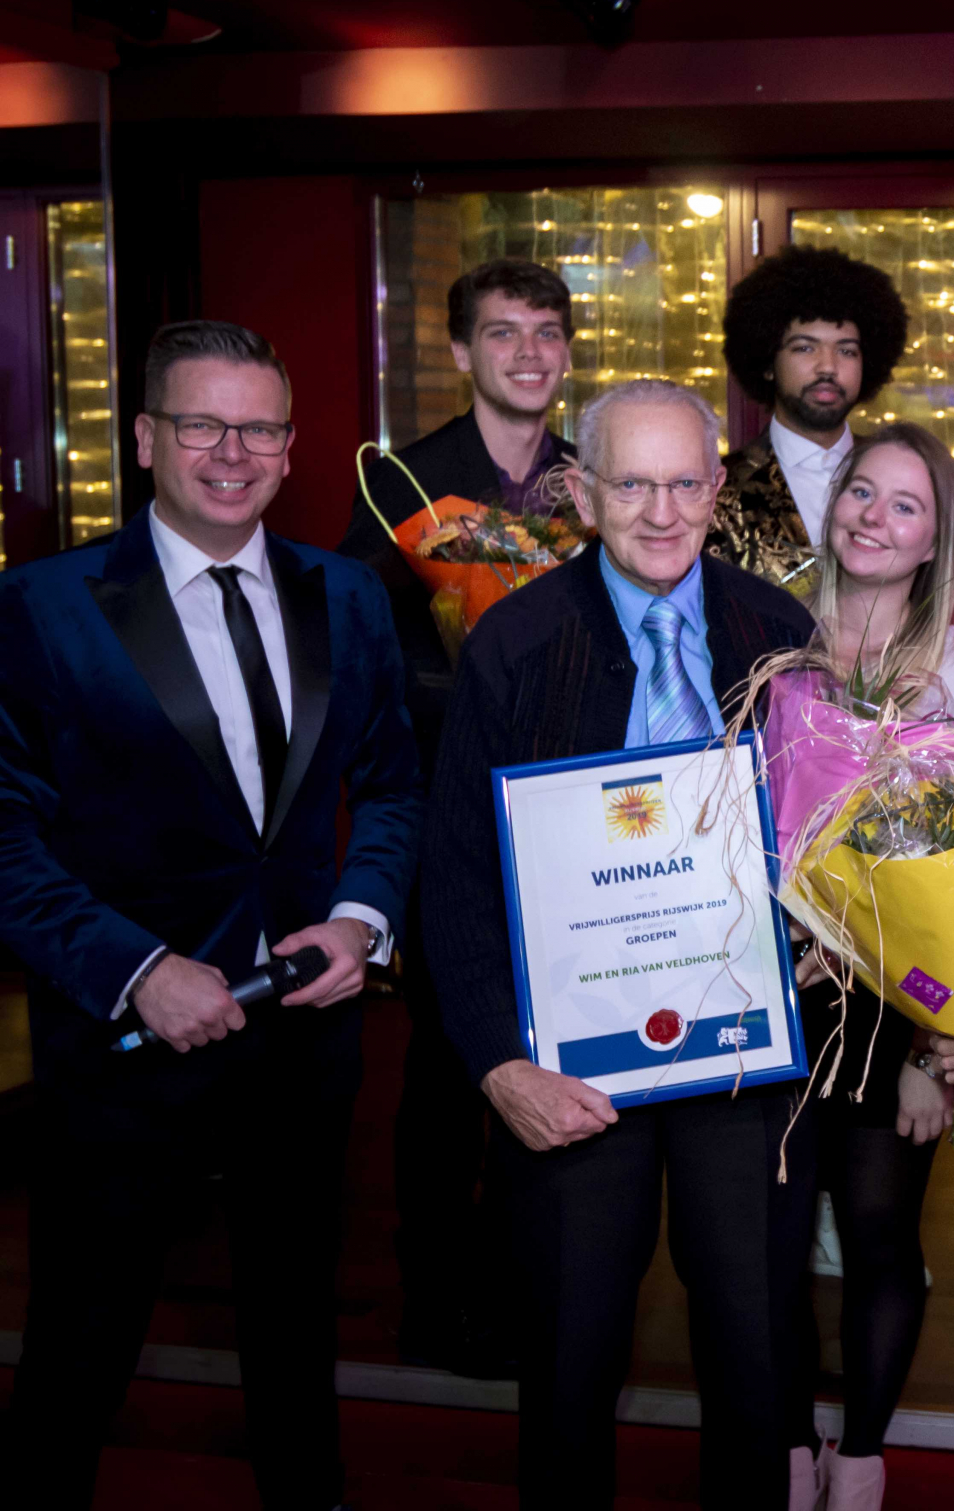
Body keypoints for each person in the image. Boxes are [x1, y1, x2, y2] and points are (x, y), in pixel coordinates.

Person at [0, 321, 421, 1509]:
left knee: (296, 1319)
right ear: (146, 438)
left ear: (292, 449)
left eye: (259, 428)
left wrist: (361, 917)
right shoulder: (41, 606)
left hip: (304, 1033)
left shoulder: (347, 592)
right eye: (201, 424)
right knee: (83, 1333)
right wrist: (138, 972)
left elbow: (391, 783)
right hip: (121, 1044)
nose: (231, 451)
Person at [423, 378, 817, 1510]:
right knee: (569, 1352)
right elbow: (452, 879)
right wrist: (502, 1067)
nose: (660, 511)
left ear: (715, 489)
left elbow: (817, 833)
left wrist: (830, 939)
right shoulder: (515, 641)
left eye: (685, 481)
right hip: (569, 1068)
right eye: (631, 484)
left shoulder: (775, 629)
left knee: (754, 1346)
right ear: (582, 494)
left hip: (740, 1059)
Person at [340, 255, 578, 1379]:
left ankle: (534, 1290)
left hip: (574, 825)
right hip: (450, 815)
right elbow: (358, 655)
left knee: (557, 1057)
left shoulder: (595, 482)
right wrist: (470, 687)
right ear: (460, 351)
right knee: (448, 1072)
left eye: (546, 332)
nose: (529, 352)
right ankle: (435, 1299)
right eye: (503, 334)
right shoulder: (406, 485)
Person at [768, 421, 954, 1511]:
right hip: (766, 993)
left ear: (930, 542)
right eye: (862, 491)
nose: (873, 516)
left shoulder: (949, 679)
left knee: (874, 1236)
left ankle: (859, 1454)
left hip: (886, 1005)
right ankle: (788, 1434)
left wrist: (928, 1049)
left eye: (905, 505)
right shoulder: (767, 646)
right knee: (761, 1237)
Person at [708, 243, 912, 594]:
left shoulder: (901, 473)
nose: (828, 367)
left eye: (846, 350)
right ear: (768, 362)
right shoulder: (716, 492)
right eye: (805, 347)